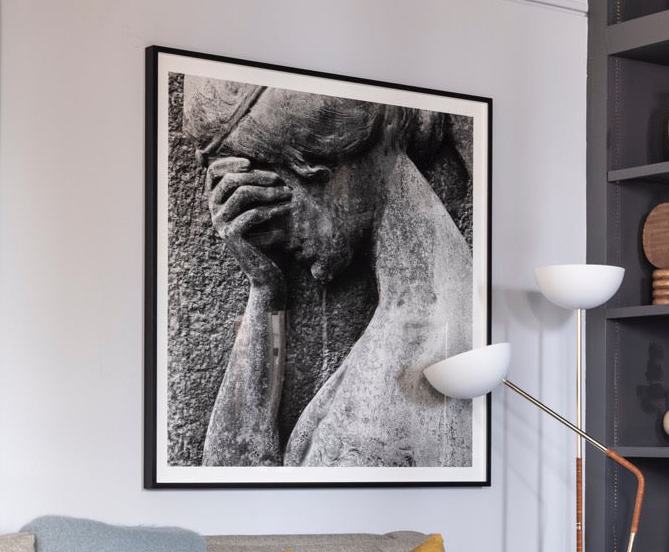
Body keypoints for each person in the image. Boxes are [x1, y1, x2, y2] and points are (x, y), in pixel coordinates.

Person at [182, 77, 473, 469]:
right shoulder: (406, 326)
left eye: (272, 192)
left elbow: (238, 499)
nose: (267, 230)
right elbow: (232, 489)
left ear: (331, 164)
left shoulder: (433, 344)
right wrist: (265, 289)